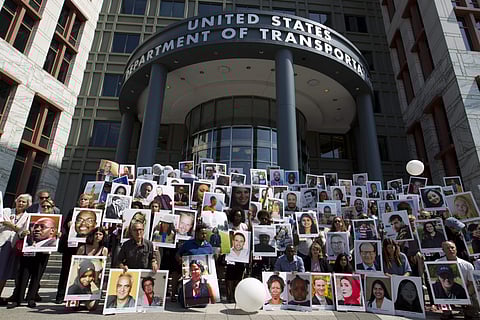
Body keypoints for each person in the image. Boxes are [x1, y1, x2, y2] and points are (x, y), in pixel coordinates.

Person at [10, 198, 57, 308]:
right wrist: (24, 233)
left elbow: (61, 234)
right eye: (43, 206)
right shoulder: (31, 217)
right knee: (24, 274)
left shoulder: (56, 220)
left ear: (52, 208)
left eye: (48, 207)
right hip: (29, 250)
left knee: (37, 276)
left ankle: (31, 298)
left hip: (43, 253)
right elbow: (21, 231)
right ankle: (18, 298)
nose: (45, 208)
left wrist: (58, 235)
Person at [0, 194, 31, 306]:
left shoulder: (28, 217)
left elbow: (23, 233)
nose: (21, 203)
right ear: (15, 201)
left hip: (13, 247)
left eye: (24, 202)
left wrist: (10, 225)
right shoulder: (6, 211)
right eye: (19, 201)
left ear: (27, 205)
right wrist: (17, 228)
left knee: (4, 272)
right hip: (1, 242)